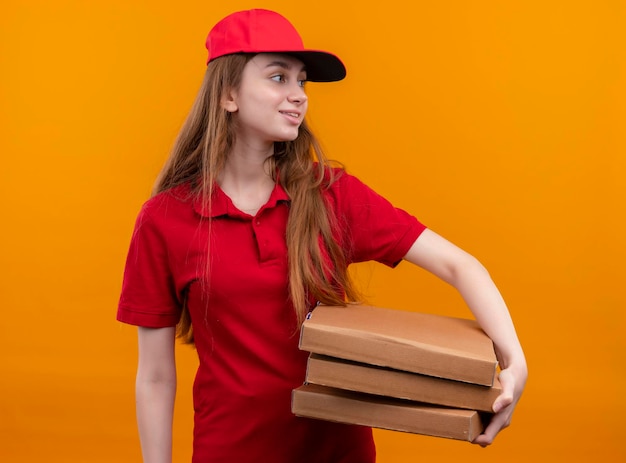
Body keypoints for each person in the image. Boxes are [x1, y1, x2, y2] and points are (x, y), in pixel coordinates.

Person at [117, 8, 527, 463]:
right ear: (228, 93)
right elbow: (155, 376)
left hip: (338, 454)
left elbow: (459, 265)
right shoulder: (164, 220)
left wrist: (515, 362)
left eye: (302, 81)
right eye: (278, 77)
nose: (298, 96)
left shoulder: (332, 196)